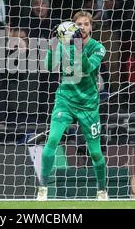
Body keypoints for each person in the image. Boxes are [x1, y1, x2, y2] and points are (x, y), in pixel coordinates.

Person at [37, 11, 108, 201]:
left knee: (95, 152)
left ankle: (102, 190)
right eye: (79, 24)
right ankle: (42, 188)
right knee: (52, 140)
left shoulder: (98, 48)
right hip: (65, 100)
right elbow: (49, 66)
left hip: (88, 105)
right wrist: (52, 46)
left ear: (91, 27)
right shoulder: (63, 45)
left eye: (86, 24)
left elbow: (86, 68)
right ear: (74, 27)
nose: (83, 27)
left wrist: (76, 47)